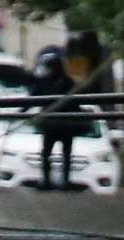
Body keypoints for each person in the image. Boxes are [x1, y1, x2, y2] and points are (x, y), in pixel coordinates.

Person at [25, 45, 79, 190]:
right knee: (55, 154)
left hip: (58, 123)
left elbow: (32, 98)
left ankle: (53, 181)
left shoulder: (63, 82)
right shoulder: (65, 82)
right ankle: (55, 181)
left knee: (54, 154)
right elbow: (32, 99)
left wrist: (22, 110)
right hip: (58, 124)